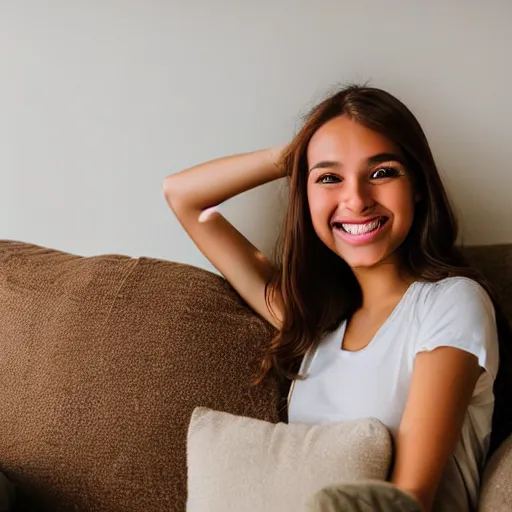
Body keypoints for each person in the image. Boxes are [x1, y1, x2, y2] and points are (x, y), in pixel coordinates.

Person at [163, 85, 511, 512]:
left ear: (418, 186)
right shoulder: (315, 324)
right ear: (304, 195)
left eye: (382, 172)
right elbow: (183, 196)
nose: (357, 200)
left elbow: (406, 499)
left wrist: (320, 160)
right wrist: (295, 154)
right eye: (329, 178)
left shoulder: (451, 303)